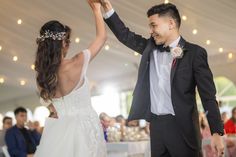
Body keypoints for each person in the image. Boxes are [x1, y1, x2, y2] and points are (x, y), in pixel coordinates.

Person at [100, 0, 224, 156]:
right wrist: (107, 8)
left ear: (171, 23)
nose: (150, 30)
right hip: (157, 128)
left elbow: (208, 96)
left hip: (183, 130)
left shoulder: (195, 53)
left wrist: (217, 132)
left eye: (154, 25)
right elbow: (125, 35)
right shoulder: (149, 49)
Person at [34, 0, 107, 156]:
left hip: (56, 133)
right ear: (63, 43)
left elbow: (52, 109)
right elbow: (101, 37)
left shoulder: (42, 76)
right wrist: (96, 9)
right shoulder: (77, 62)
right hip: (85, 131)